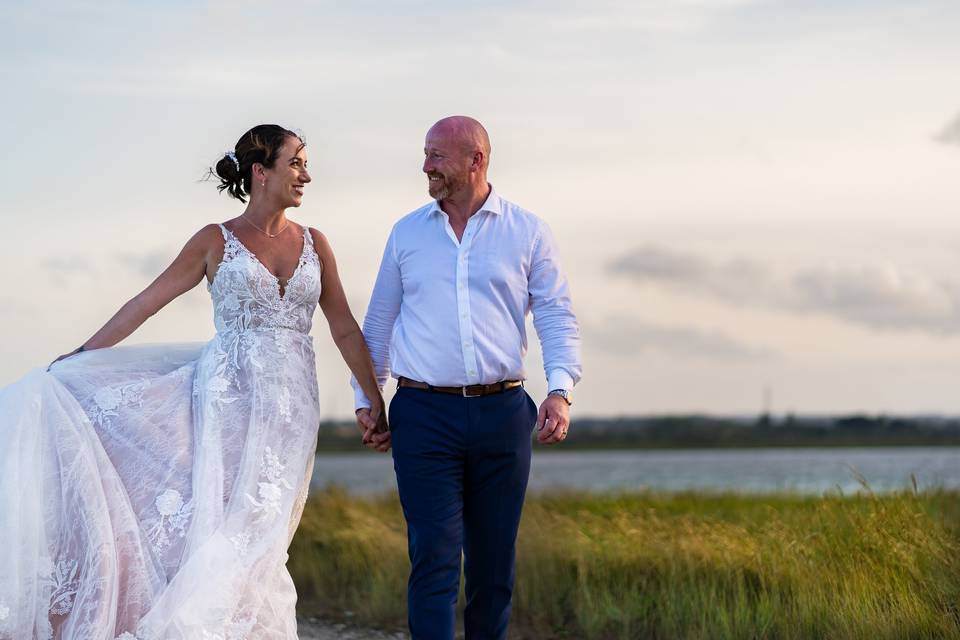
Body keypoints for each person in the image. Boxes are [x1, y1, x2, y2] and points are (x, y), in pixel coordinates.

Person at [0, 124, 389, 639]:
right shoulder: (215, 240)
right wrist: (83, 355)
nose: (306, 174)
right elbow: (146, 301)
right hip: (223, 405)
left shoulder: (316, 244)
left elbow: (343, 327)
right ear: (260, 171)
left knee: (266, 534)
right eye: (295, 162)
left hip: (292, 413)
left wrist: (376, 400)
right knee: (218, 526)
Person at [352, 116, 582, 640]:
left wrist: (560, 390)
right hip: (423, 413)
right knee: (433, 552)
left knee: (493, 562)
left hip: (504, 412)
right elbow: (380, 321)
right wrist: (369, 397)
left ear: (476, 159)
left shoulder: (528, 231)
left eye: (437, 155)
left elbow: (555, 315)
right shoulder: (406, 233)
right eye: (426, 153)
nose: (426, 165)